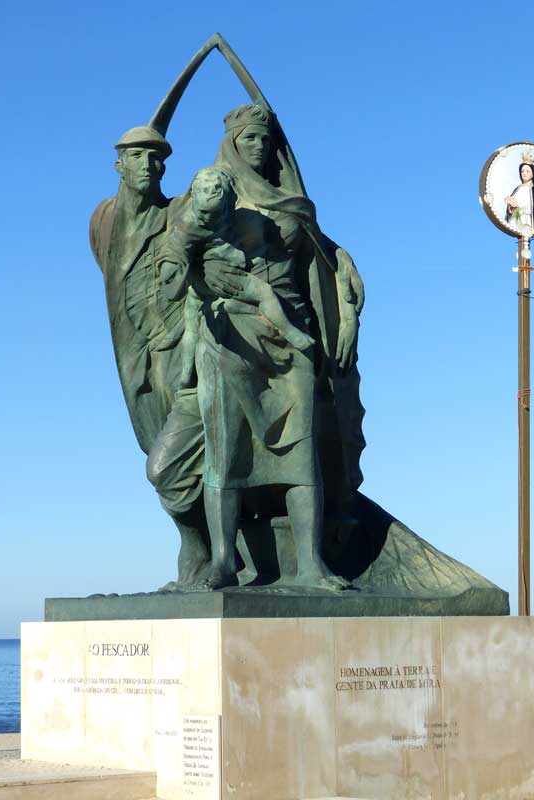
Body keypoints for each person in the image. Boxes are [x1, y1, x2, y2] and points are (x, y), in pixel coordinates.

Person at [180, 104, 365, 591]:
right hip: (231, 334)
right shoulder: (210, 190)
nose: (258, 147)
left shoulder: (291, 200)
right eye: (248, 138)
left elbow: (325, 255)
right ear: (231, 142)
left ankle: (310, 564)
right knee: (226, 451)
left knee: (302, 454)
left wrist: (346, 307)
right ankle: (224, 561)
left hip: (291, 334)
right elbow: (177, 255)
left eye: (265, 139)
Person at [89, 126, 209, 587]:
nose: (149, 165)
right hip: (134, 358)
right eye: (137, 156)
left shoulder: (179, 211)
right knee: (154, 448)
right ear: (119, 165)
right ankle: (207, 549)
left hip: (179, 348)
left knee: (170, 461)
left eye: (156, 158)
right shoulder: (103, 220)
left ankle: (201, 549)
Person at [157, 165, 316, 388]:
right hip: (226, 276)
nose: (206, 219)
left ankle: (185, 374)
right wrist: (171, 272)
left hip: (201, 286)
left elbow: (175, 252)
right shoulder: (199, 219)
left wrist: (172, 271)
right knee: (264, 292)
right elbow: (175, 253)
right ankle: (289, 330)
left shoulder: (191, 219)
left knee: (191, 323)